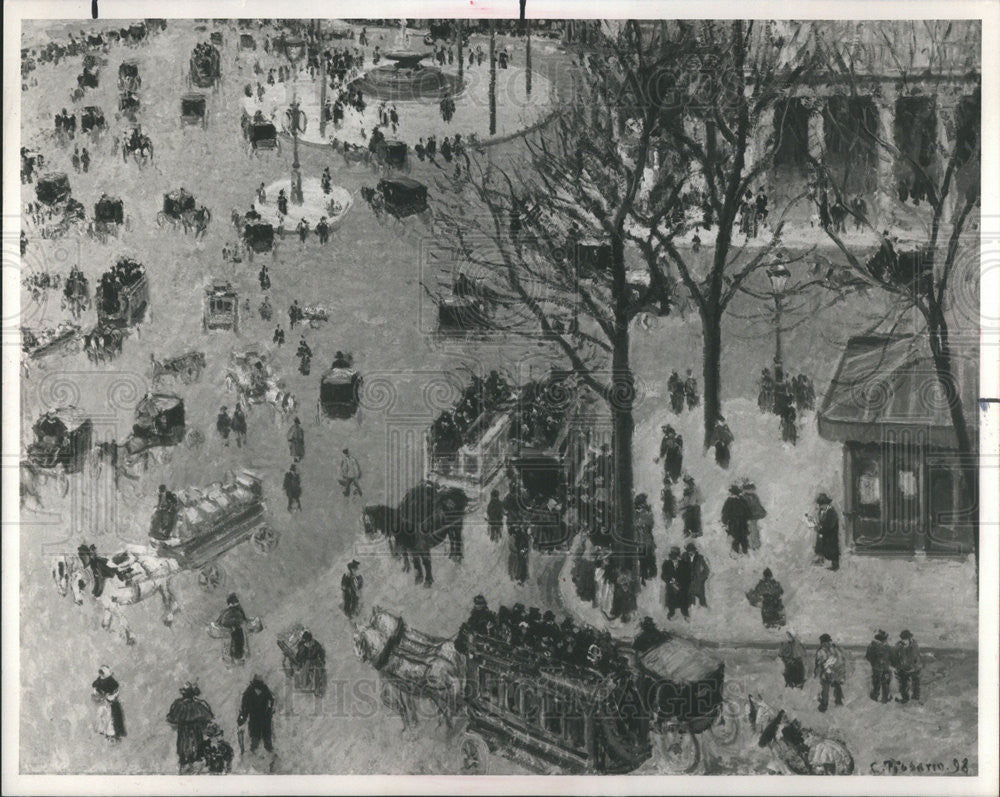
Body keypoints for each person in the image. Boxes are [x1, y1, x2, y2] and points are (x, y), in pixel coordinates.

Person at [167, 682, 214, 774]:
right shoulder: (198, 705)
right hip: (194, 737)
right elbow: (208, 718)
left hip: (185, 737)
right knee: (194, 757)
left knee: (185, 757)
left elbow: (172, 719)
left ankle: (186, 767)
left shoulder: (178, 704)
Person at [238, 675, 275, 754]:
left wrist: (269, 711)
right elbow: (245, 706)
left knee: (265, 736)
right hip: (256, 717)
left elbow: (271, 701)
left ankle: (267, 749)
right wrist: (242, 716)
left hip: (263, 717)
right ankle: (255, 750)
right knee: (256, 736)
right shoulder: (251, 690)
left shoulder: (263, 689)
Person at [91, 665, 126, 741]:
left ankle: (111, 735)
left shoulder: (112, 683)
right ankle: (102, 732)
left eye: (103, 673)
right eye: (101, 673)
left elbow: (115, 693)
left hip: (111, 704)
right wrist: (100, 696)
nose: (101, 675)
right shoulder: (98, 682)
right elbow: (95, 693)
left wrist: (110, 697)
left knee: (110, 719)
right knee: (101, 716)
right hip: (102, 704)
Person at [814, 633, 847, 712]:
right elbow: (840, 659)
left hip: (827, 672)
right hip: (835, 672)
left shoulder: (821, 651)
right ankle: (838, 702)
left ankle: (824, 706)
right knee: (836, 686)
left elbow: (820, 662)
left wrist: (818, 671)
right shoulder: (834, 649)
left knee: (825, 688)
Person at [216, 593, 250, 664]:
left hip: (235, 629)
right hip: (234, 629)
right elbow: (243, 618)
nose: (236, 603)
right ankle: (235, 657)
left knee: (236, 641)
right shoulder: (234, 610)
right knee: (236, 641)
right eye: (235, 602)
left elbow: (220, 621)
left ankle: (235, 657)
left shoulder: (230, 611)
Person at [891, 630, 922, 703]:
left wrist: (914, 667)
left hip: (913, 668)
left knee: (915, 682)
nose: (904, 641)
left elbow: (917, 658)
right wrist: (897, 667)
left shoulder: (914, 645)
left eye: (905, 639)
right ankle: (905, 698)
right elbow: (894, 657)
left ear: (909, 639)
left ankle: (915, 698)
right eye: (903, 639)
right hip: (902, 668)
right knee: (903, 683)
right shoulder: (898, 646)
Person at [293, 630, 326, 696]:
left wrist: (322, 660)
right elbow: (299, 655)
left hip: (315, 659)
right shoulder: (303, 646)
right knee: (304, 673)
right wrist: (299, 662)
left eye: (309, 641)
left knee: (317, 672)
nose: (309, 643)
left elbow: (321, 651)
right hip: (307, 660)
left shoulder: (315, 643)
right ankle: (305, 684)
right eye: (307, 641)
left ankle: (317, 689)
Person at [661, 547, 690, 620]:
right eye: (672, 554)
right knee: (671, 605)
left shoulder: (684, 564)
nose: (673, 556)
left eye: (675, 554)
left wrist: (680, 584)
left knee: (683, 605)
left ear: (678, 555)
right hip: (671, 587)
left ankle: (686, 616)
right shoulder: (666, 563)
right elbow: (663, 575)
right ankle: (671, 616)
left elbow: (687, 576)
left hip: (681, 588)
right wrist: (670, 581)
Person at [813, 493, 840, 570]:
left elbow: (830, 525)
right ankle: (820, 559)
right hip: (825, 533)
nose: (820, 507)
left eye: (821, 505)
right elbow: (821, 521)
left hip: (831, 534)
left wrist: (821, 529)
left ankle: (835, 565)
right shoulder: (822, 511)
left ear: (825, 504)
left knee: (832, 549)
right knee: (822, 545)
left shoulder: (832, 512)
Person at [722, 484, 751, 554]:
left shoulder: (729, 501)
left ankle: (737, 553)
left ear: (732, 493)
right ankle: (745, 552)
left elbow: (725, 513)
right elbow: (748, 513)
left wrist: (724, 522)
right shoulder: (743, 500)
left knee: (735, 539)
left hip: (733, 524)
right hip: (743, 524)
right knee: (743, 539)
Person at [866, 630, 893, 703]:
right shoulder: (885, 647)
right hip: (881, 668)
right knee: (881, 683)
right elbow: (868, 656)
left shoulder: (872, 646)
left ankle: (880, 697)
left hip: (880, 668)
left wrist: (874, 663)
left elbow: (868, 656)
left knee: (878, 683)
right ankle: (883, 698)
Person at [741, 480, 767, 550]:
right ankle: (753, 544)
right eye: (750, 489)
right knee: (751, 530)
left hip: (752, 517)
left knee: (753, 530)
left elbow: (758, 506)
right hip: (749, 517)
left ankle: (755, 544)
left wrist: (762, 512)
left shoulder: (752, 497)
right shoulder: (745, 497)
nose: (752, 490)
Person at [684, 542, 710, 609]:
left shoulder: (700, 558)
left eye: (692, 550)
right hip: (688, 583)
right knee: (689, 603)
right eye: (688, 551)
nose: (690, 552)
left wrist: (701, 578)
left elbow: (706, 570)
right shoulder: (684, 557)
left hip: (698, 583)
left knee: (702, 602)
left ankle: (705, 611)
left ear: (695, 550)